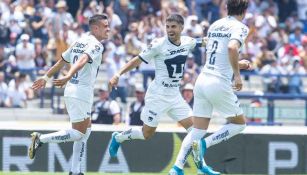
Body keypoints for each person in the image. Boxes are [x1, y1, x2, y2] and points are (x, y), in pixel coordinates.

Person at [108, 14, 251, 174]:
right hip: (157, 95)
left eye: (173, 27)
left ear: (181, 28)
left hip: (175, 96)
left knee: (194, 131)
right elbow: (136, 60)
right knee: (146, 133)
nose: (170, 30)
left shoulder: (188, 42)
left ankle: (199, 167)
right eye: (167, 27)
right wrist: (118, 74)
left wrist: (235, 63)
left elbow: (213, 49)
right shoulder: (158, 44)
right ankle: (118, 137)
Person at [169, 1, 251, 175]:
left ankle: (176, 168)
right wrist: (237, 75)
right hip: (218, 82)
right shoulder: (241, 27)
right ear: (244, 11)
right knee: (240, 124)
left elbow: (218, 52)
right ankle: (205, 144)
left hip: (203, 79)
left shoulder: (216, 24)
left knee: (197, 130)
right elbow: (231, 47)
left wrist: (238, 64)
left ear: (227, 8)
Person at [28, 14, 110, 175]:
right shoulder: (97, 45)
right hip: (80, 91)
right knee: (78, 133)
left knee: (86, 131)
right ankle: (41, 139)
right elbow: (82, 60)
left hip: (76, 91)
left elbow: (62, 60)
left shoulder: (79, 41)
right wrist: (68, 75)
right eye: (105, 26)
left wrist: (46, 77)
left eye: (108, 26)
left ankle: (75, 170)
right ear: (95, 28)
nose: (108, 29)